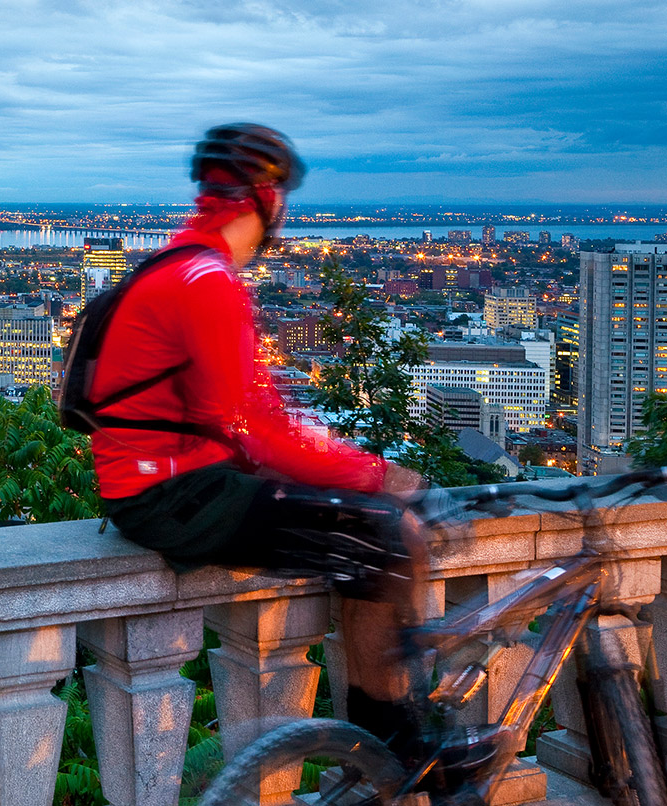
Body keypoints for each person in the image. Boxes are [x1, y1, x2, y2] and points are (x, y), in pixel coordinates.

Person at [89, 124, 429, 757]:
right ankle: (392, 743)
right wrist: (374, 474)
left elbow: (242, 415)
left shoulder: (177, 265)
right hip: (174, 493)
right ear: (265, 200)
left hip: (157, 481)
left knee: (357, 526)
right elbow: (254, 426)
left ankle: (381, 733)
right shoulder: (206, 282)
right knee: (380, 534)